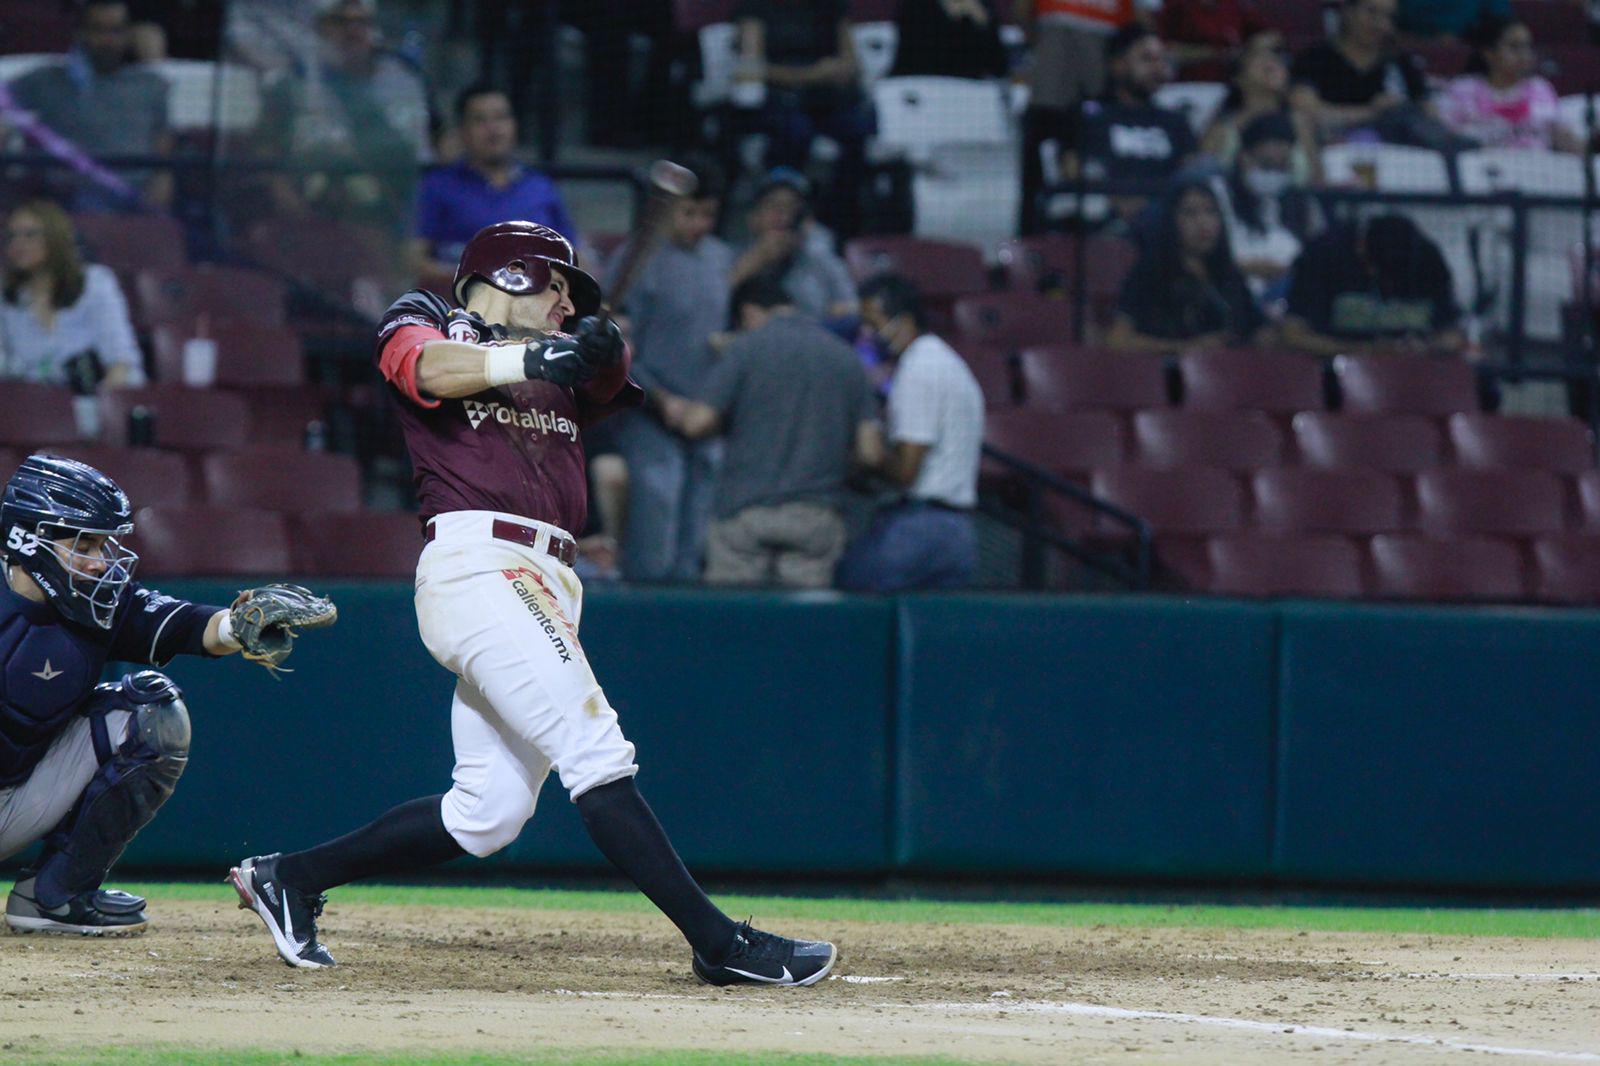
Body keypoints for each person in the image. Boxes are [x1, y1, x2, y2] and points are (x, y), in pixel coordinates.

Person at [228, 221, 838, 987]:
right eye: (557, 286)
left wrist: (599, 346)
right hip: (481, 567)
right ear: (511, 275)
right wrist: (534, 356)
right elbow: (425, 367)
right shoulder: (428, 318)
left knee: (487, 814)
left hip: (549, 578)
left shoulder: (561, 361)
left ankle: (290, 878)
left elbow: (608, 373)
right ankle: (720, 945)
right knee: (596, 752)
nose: (567, 306)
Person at [1, 455, 334, 935]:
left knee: (153, 713)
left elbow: (187, 625)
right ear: (29, 539)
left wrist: (240, 624)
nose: (101, 561)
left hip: (18, 796)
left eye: (103, 544)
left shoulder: (97, 603)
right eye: (84, 544)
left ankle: (54, 897)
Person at [664, 275, 882, 588]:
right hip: (815, 517)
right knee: (803, 619)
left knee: (737, 615)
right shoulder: (846, 357)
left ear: (749, 312)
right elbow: (870, 452)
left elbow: (696, 423)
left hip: (745, 514)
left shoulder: (745, 348)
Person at [605, 159, 734, 583]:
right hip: (646, 409)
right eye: (689, 213)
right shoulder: (635, 260)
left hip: (704, 412)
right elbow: (614, 345)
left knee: (700, 522)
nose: (699, 224)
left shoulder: (722, 260)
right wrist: (662, 399)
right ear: (667, 210)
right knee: (658, 500)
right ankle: (647, 605)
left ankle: (689, 607)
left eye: (708, 214)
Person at [836, 275, 983, 593]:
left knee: (847, 594)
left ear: (902, 322)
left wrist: (872, 457)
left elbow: (906, 471)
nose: (867, 334)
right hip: (957, 530)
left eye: (873, 323)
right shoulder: (945, 360)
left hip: (920, 529)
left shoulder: (920, 368)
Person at [256, 0, 432, 234]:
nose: (353, 31)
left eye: (361, 22)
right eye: (341, 22)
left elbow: (417, 161)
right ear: (320, 29)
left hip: (383, 209)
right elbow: (266, 150)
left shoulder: (401, 81)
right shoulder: (291, 82)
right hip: (307, 204)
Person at [5, 0, 173, 211]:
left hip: (132, 205)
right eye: (99, 30)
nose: (108, 40)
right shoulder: (48, 80)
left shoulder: (151, 86)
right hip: (64, 206)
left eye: (116, 31)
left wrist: (161, 182)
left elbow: (162, 149)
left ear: (129, 34)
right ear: (81, 33)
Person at [411, 84, 583, 290]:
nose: (493, 129)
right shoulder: (438, 186)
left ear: (514, 126)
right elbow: (413, 261)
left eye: (501, 117)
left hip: (539, 299)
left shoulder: (541, 187)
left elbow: (576, 257)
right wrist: (475, 280)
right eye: (480, 120)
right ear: (462, 131)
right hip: (463, 301)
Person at [1018, 0, 1160, 232]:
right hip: (1050, 96)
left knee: (1106, 179)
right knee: (1040, 194)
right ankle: (1034, 244)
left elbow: (1141, 29)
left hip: (1103, 101)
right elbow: (1024, 16)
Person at [734, 0, 871, 237]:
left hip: (825, 98)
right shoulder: (756, 8)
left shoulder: (833, 6)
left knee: (858, 128)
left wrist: (843, 71)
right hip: (778, 98)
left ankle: (840, 220)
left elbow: (851, 60)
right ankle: (781, 218)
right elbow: (751, 68)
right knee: (796, 131)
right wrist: (812, 74)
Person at [1057, 25, 1198, 227]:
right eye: (1147, 59)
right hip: (1105, 219)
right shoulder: (1089, 114)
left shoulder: (1175, 121)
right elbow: (1072, 167)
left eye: (1162, 59)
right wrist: (1116, 200)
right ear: (1118, 64)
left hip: (1168, 221)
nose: (1158, 68)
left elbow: (1191, 172)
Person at [0, 200, 144, 392]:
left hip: (103, 394)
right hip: (36, 402)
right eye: (11, 236)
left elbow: (121, 360)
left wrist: (97, 405)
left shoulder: (95, 282)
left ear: (55, 239)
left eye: (30, 234)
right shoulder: (7, 296)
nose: (18, 244)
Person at [1109, 180, 1265, 352]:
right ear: (1171, 220)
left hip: (1231, 365)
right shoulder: (1150, 272)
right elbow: (1118, 340)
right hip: (1168, 366)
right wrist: (1185, 348)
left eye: (1211, 212)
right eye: (1190, 213)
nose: (1203, 222)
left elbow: (1258, 330)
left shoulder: (1229, 275)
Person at [1281, 214, 1464, 355]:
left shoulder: (1428, 263)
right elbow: (1293, 335)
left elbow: (1453, 334)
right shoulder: (1322, 256)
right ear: (1361, 248)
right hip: (1332, 376)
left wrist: (1429, 348)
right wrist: (1367, 351)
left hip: (1415, 374)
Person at [1210, 113, 1324, 300]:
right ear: (1244, 158)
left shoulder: (1302, 202)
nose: (1274, 175)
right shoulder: (1216, 194)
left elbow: (1315, 254)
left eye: (1282, 167)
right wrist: (1247, 267)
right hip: (1228, 289)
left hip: (1289, 295)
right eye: (1266, 165)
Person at [1288, 0, 1433, 146]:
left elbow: (1429, 111)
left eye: (1389, 17)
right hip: (1334, 150)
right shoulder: (1314, 58)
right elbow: (1304, 111)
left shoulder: (1401, 62)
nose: (1381, 24)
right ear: (1348, 11)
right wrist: (1372, 112)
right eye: (1372, 12)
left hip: (1399, 152)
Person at [1438, 14, 1583, 153]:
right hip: (1479, 167)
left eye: (1527, 46)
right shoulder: (1464, 89)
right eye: (1514, 47)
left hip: (1535, 165)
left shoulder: (1539, 88)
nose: (1524, 55)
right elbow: (1445, 136)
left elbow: (1557, 132)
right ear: (1489, 53)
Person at [729, 168, 858, 322]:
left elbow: (855, 310)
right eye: (773, 206)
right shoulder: (728, 258)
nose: (783, 217)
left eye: (792, 208)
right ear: (753, 218)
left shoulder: (823, 264)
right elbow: (710, 308)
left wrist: (835, 314)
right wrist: (755, 260)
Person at [1200, 32, 1320, 182]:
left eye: (1277, 58)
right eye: (1259, 56)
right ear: (1238, 78)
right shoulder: (1222, 129)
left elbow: (1317, 181)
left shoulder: (1300, 122)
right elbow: (1199, 178)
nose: (1271, 61)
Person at [890, 0, 1010, 79]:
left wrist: (982, 22)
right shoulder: (915, 6)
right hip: (924, 89)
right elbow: (917, 60)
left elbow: (999, 67)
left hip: (972, 93)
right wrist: (951, 18)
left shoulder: (981, 8)